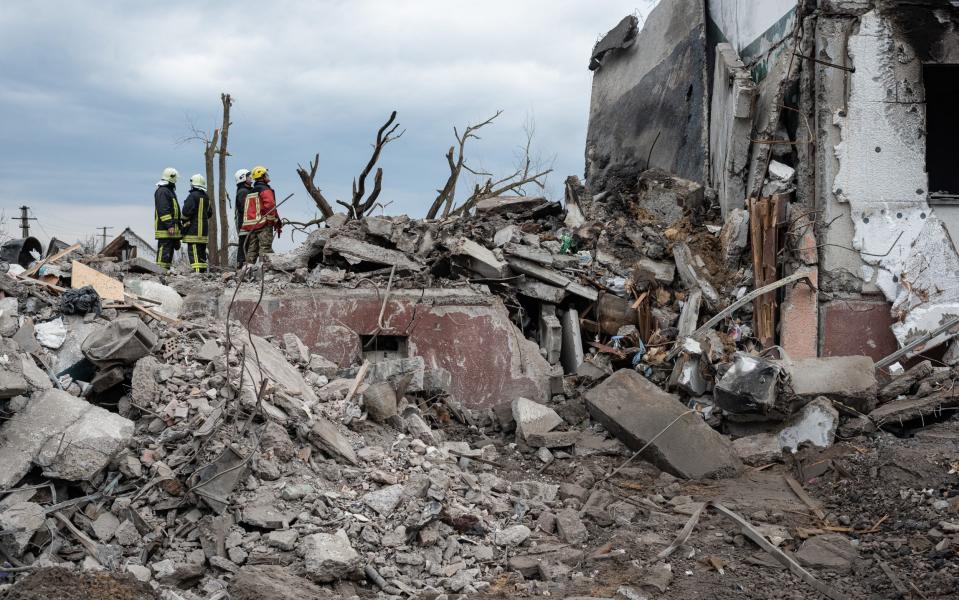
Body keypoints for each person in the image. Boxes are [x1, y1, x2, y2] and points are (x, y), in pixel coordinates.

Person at [240, 165, 282, 264]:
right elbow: (270, 205)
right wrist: (272, 220)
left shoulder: (252, 191)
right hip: (264, 224)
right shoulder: (264, 189)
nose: (268, 175)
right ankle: (266, 271)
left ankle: (246, 271)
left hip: (253, 226)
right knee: (265, 248)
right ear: (262, 176)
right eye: (266, 174)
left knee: (252, 250)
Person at [181, 174, 213, 273]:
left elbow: (186, 212)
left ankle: (197, 273)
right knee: (202, 253)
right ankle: (203, 272)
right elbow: (209, 213)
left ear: (193, 184)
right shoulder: (207, 197)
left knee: (194, 252)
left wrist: (184, 220)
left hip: (193, 231)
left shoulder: (192, 196)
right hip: (203, 231)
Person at [154, 167, 181, 270]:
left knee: (168, 253)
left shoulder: (168, 191)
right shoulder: (163, 191)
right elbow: (163, 210)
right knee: (164, 251)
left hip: (170, 228)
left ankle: (165, 272)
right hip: (165, 228)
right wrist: (169, 225)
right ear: (171, 178)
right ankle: (159, 272)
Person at [234, 168, 253, 267]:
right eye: (249, 176)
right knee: (244, 244)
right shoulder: (243, 192)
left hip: (247, 223)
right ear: (243, 178)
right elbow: (243, 208)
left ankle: (243, 265)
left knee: (246, 244)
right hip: (244, 224)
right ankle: (241, 265)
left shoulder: (247, 190)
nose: (251, 177)